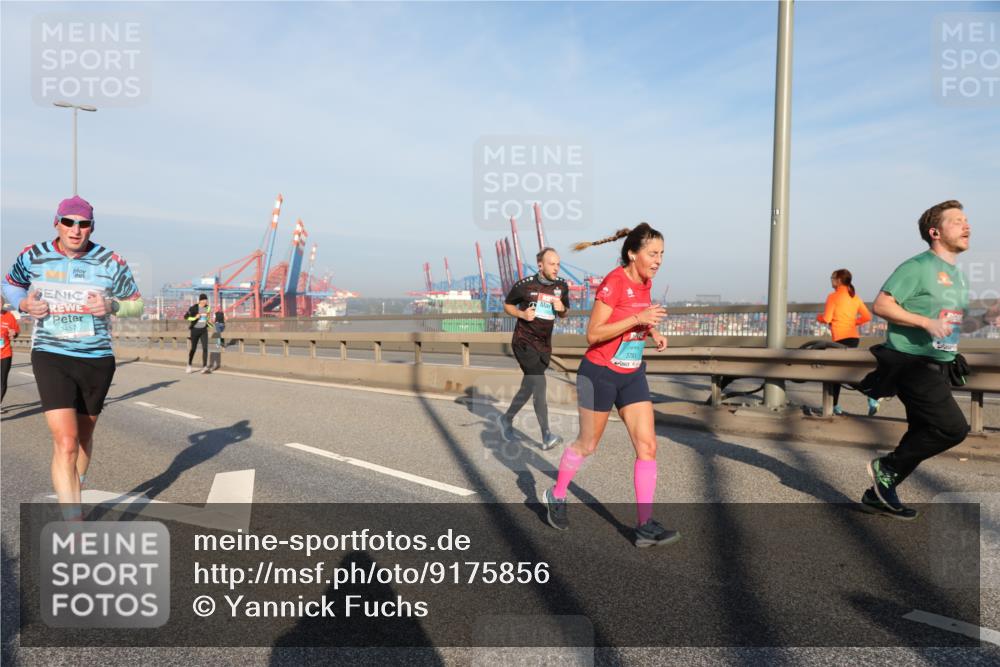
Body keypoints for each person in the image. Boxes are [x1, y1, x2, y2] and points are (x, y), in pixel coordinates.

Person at [2, 195, 144, 519]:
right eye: (69, 222)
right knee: (65, 442)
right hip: (51, 353)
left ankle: (75, 484)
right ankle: (74, 525)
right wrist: (23, 304)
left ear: (91, 228)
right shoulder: (34, 256)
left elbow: (137, 303)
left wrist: (113, 306)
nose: (76, 230)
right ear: (57, 223)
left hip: (96, 357)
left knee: (82, 438)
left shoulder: (112, 261)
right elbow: (10, 285)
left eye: (83, 224)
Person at [542, 223, 678, 548]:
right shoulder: (614, 282)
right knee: (587, 445)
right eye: (652, 253)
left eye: (662, 254)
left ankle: (644, 525)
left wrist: (651, 332)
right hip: (599, 373)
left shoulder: (646, 282)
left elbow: (636, 320)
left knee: (648, 447)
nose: (658, 260)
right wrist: (637, 319)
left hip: (631, 373)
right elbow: (594, 333)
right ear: (633, 253)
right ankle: (557, 494)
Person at [863, 200, 1000, 519]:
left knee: (923, 430)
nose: (967, 226)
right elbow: (881, 305)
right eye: (957, 221)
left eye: (967, 220)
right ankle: (886, 467)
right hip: (911, 361)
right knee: (952, 428)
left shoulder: (957, 276)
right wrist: (925, 323)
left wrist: (985, 319)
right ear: (935, 232)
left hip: (939, 363)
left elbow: (953, 324)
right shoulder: (917, 267)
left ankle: (878, 492)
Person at [495, 247, 571, 450]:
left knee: (529, 385)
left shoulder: (562, 286)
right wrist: (522, 315)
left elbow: (565, 312)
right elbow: (507, 305)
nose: (556, 268)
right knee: (539, 384)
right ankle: (546, 435)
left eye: (558, 264)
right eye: (552, 264)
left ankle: (506, 419)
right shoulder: (525, 285)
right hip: (524, 341)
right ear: (540, 265)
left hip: (544, 345)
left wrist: (562, 309)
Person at [816, 268, 877, 415]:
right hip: (853, 338)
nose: (830, 280)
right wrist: (853, 323)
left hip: (839, 340)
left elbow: (827, 318)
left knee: (839, 374)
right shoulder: (854, 297)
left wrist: (819, 317)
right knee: (838, 373)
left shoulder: (833, 297)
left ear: (838, 280)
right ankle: (836, 405)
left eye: (832, 277)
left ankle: (871, 394)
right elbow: (867, 316)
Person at [185, 294, 213, 373]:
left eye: (206, 300)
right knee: (193, 349)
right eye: (203, 300)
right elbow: (186, 317)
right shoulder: (193, 308)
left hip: (204, 330)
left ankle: (204, 367)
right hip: (195, 330)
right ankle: (189, 365)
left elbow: (207, 318)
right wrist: (195, 318)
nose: (205, 301)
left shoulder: (207, 308)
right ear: (200, 300)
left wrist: (210, 322)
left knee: (205, 348)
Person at [1, 301, 20, 403]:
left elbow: (15, 331)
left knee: (2, 380)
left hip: (5, 353)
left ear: (2, 303)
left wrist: (14, 334)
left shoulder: (9, 316)